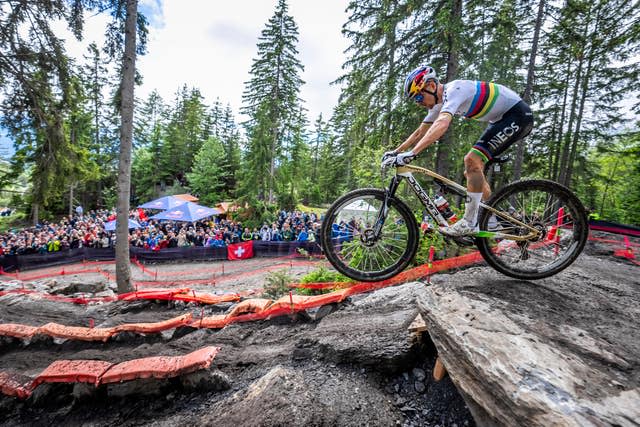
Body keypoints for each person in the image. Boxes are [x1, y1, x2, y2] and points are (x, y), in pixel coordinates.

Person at [382, 65, 534, 236]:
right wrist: (396, 151)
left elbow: (442, 124)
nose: (418, 103)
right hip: (501, 119)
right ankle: (494, 219)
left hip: (517, 115)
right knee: (472, 169)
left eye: (418, 96)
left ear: (431, 86)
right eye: (415, 100)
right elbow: (420, 131)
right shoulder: (440, 103)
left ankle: (470, 222)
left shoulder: (454, 90)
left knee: (472, 160)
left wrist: (412, 154)